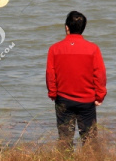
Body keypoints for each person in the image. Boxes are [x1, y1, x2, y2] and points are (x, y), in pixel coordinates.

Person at [46, 11, 107, 149]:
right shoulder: (93, 49)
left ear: (67, 27)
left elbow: (51, 74)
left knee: (64, 139)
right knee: (90, 140)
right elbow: (100, 74)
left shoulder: (54, 49)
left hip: (63, 99)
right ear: (83, 28)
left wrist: (53, 94)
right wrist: (100, 96)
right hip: (87, 101)